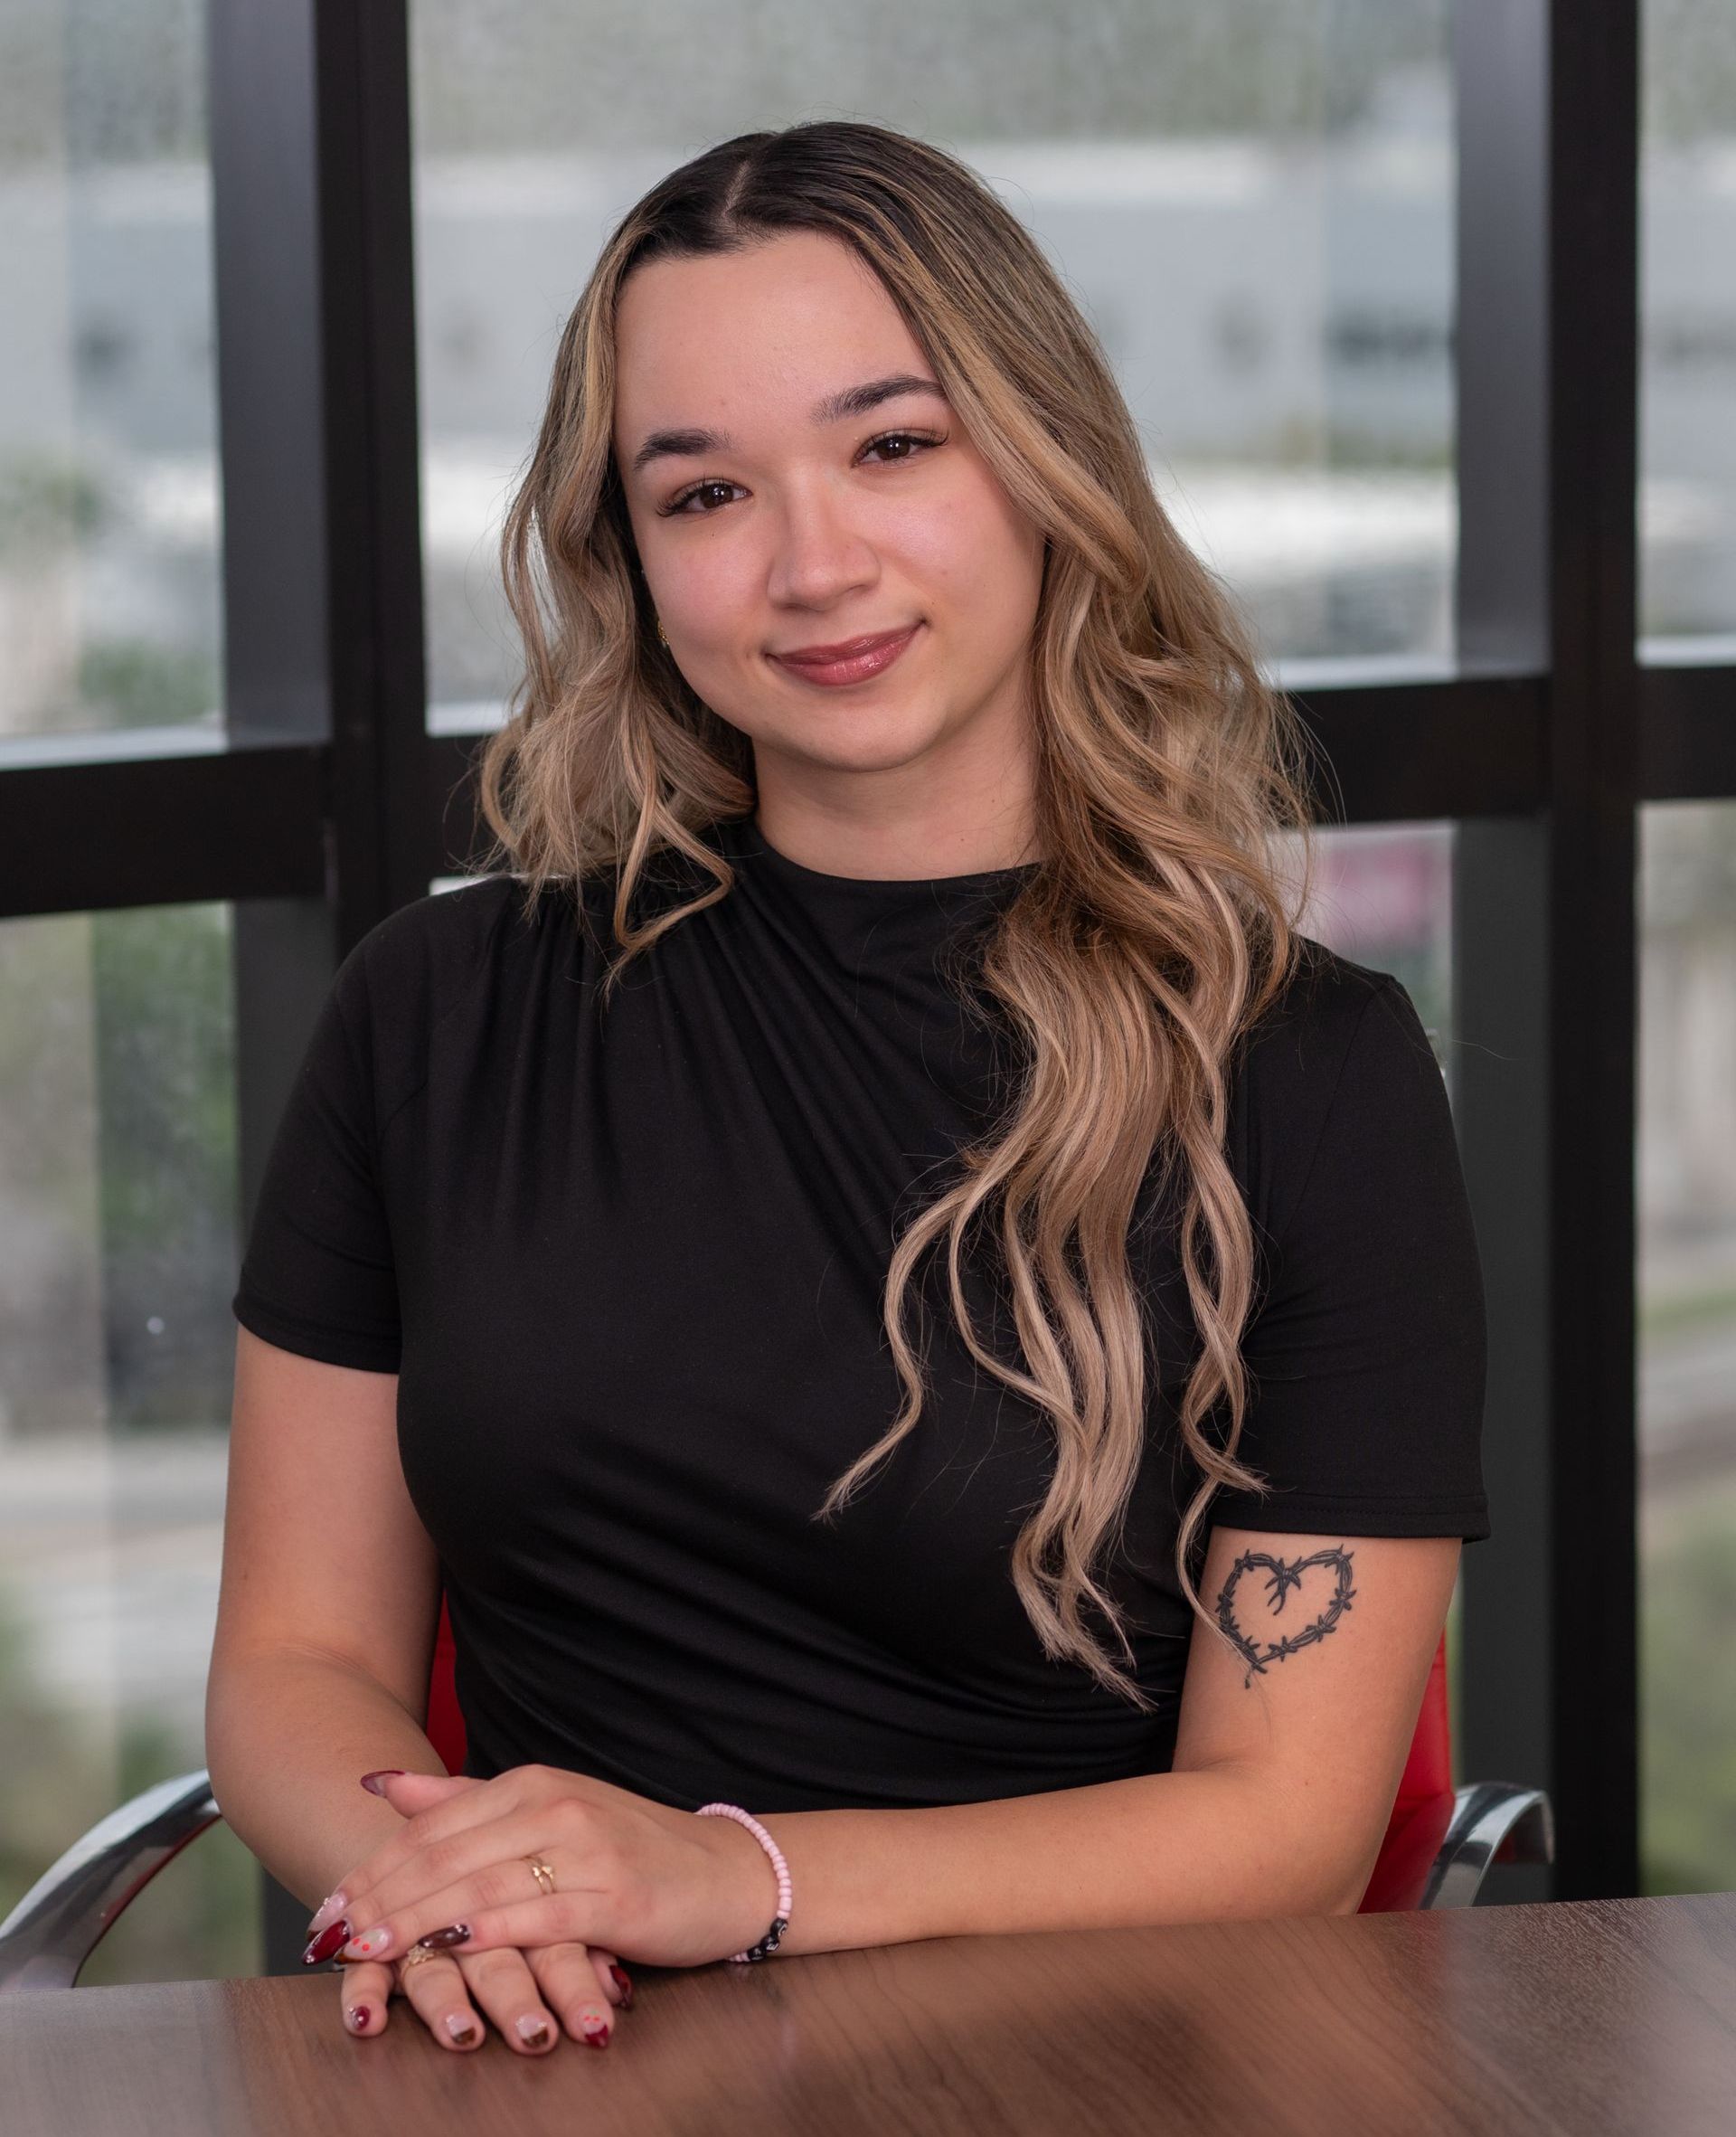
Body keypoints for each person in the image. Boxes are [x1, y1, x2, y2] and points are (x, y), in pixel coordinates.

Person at [204, 118, 1490, 2059]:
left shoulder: (1303, 1072)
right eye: (705, 490)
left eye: (895, 446)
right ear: (625, 560)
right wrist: (467, 1888)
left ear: (1045, 467)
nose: (813, 565)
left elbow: (1289, 1828)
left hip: (1098, 2061)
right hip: (549, 2045)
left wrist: (736, 1880)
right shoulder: (439, 1011)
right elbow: (296, 1666)